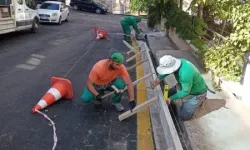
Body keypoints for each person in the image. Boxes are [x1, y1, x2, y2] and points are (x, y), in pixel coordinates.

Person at [152, 55, 208, 121]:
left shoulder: (185, 74)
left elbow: (185, 92)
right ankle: (172, 102)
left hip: (197, 93)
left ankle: (200, 100)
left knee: (183, 116)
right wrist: (159, 78)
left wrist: (170, 99)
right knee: (167, 94)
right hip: (184, 85)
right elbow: (167, 71)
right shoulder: (179, 62)